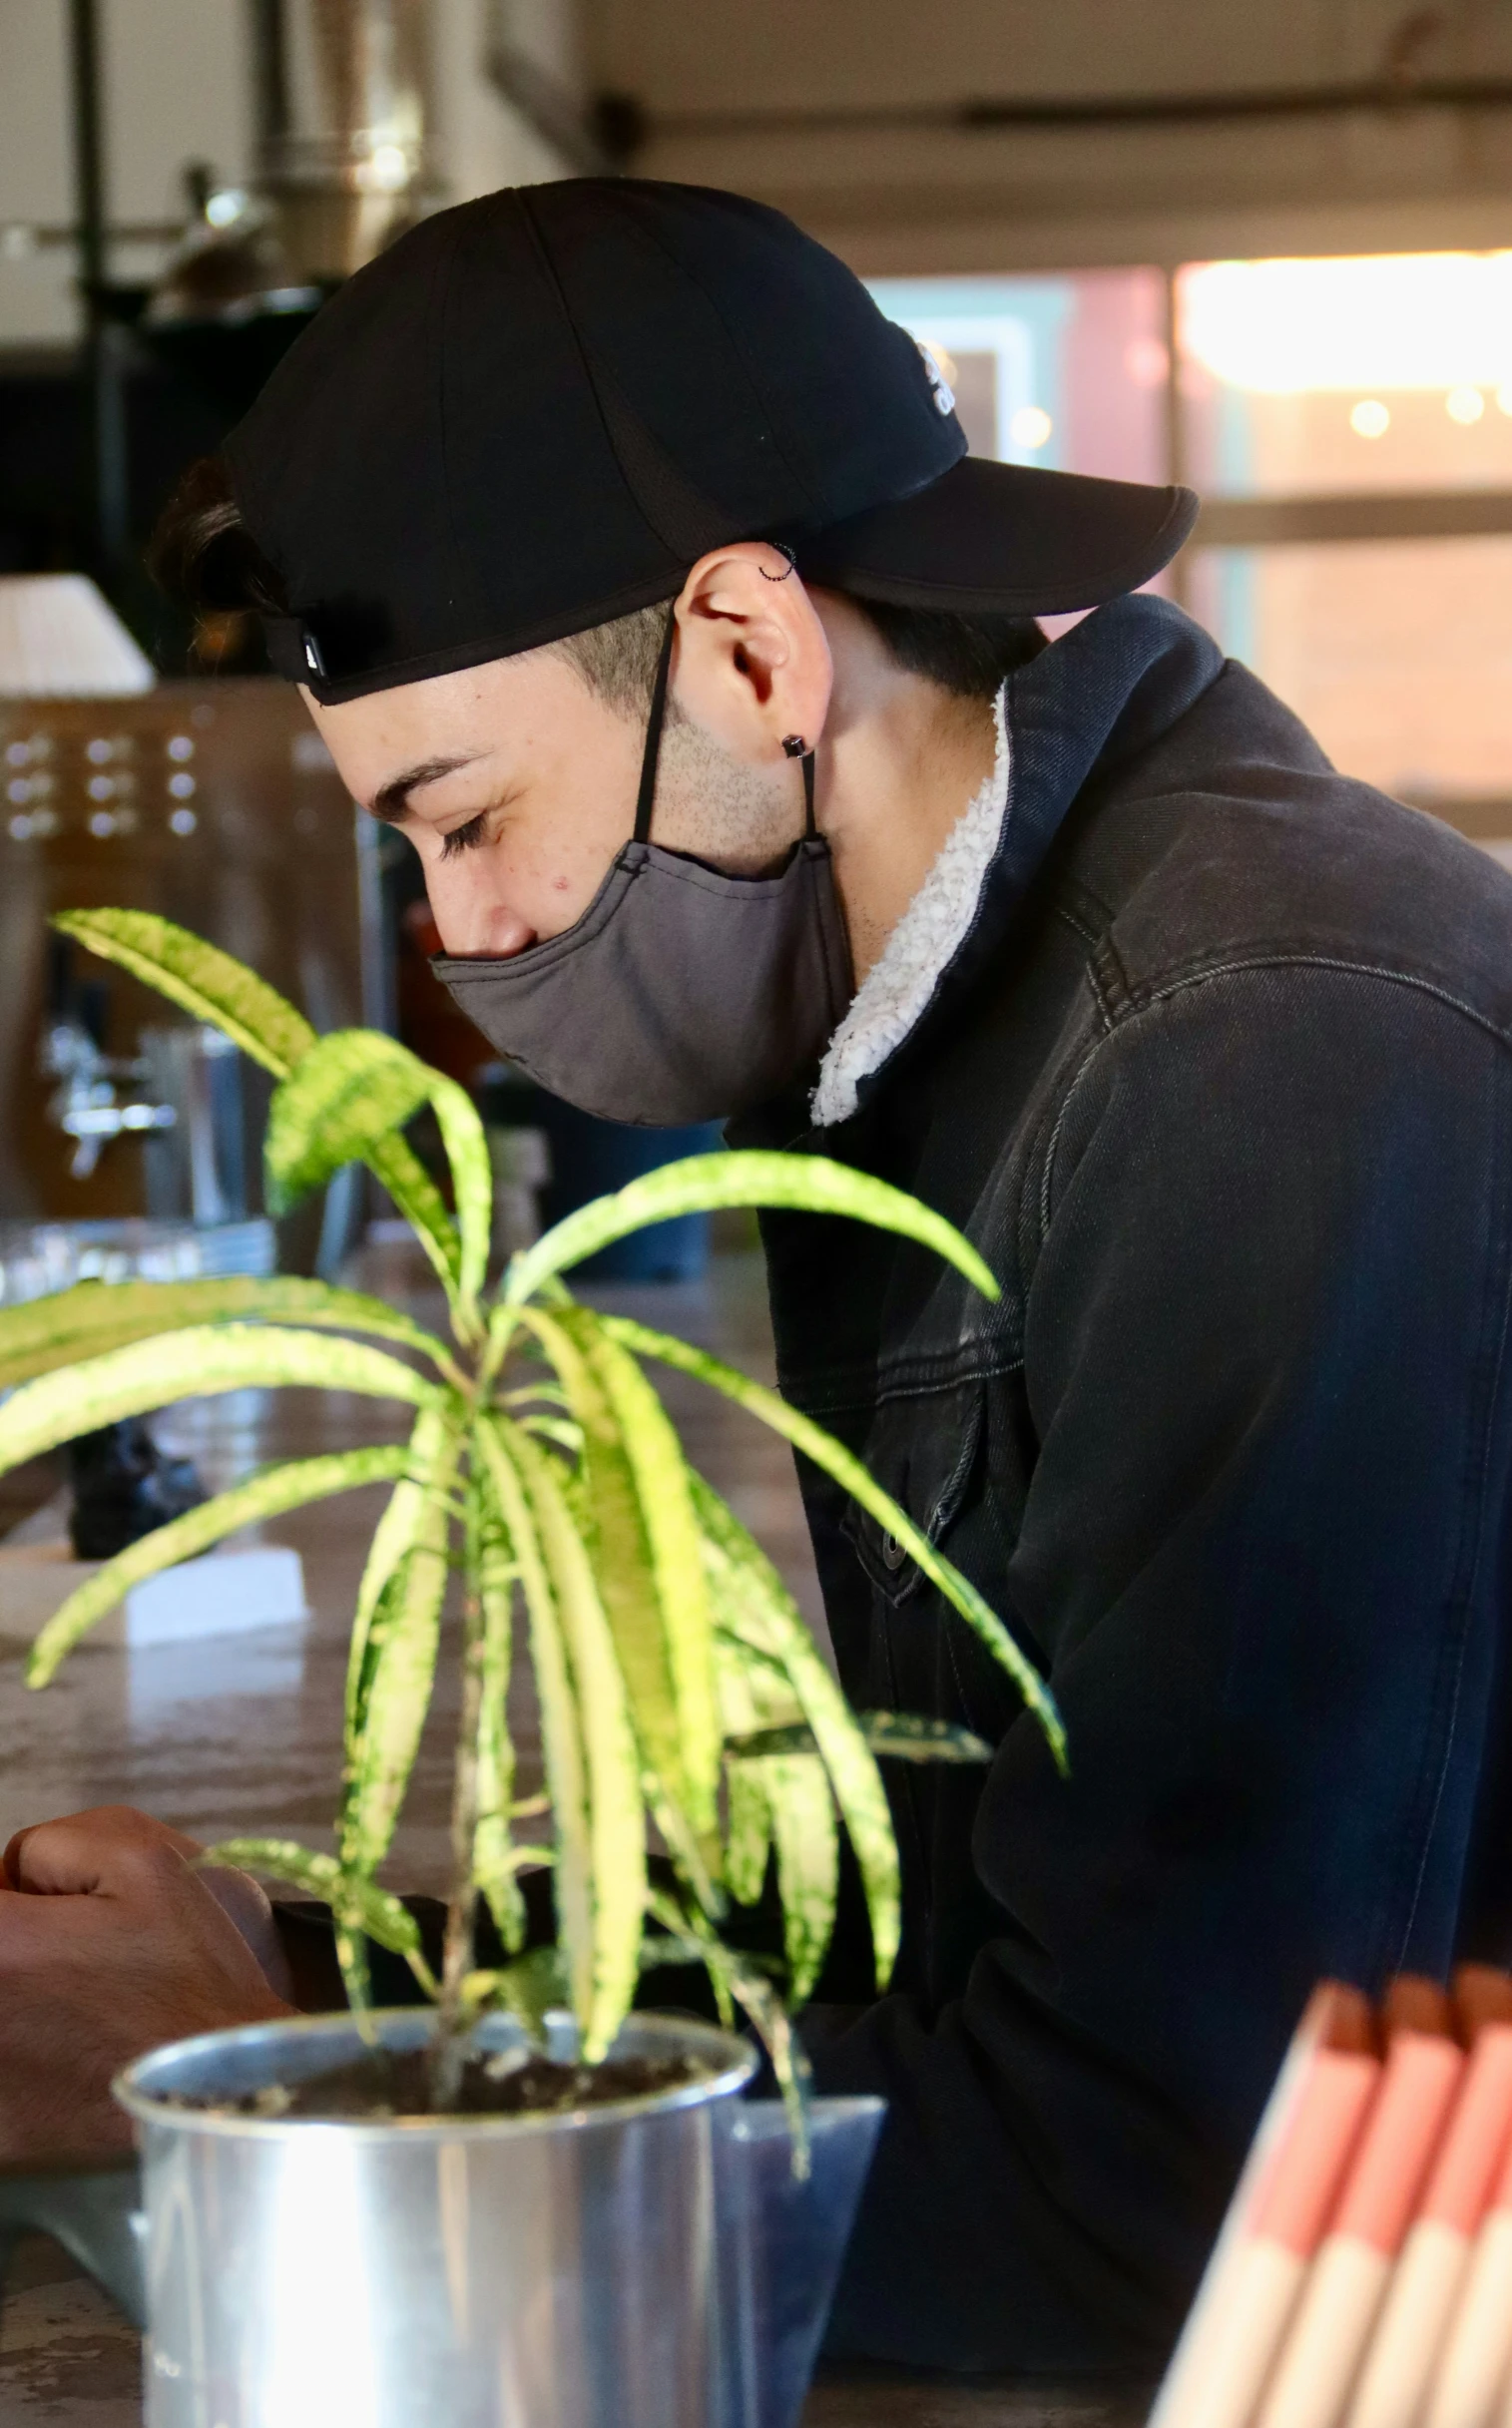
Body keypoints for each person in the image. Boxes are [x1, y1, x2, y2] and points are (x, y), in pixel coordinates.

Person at [5, 178, 1512, 2377]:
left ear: (748, 650)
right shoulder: (899, 1017)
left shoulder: (1262, 1063)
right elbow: (943, 1938)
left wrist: (298, 2086)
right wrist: (305, 1951)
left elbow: (1151, 2192)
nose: (466, 931)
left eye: (465, 811)